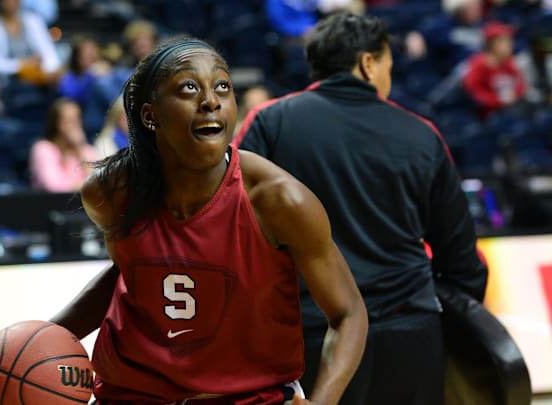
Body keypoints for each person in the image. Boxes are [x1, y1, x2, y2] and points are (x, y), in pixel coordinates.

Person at [52, 38, 368, 404]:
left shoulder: (278, 199)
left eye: (222, 87)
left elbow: (348, 314)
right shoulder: (111, 192)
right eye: (189, 88)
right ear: (150, 115)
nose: (210, 101)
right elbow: (130, 274)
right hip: (130, 396)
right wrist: (44, 338)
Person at [233, 13, 488, 405]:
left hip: (313, 337)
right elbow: (461, 259)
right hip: (411, 334)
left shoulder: (270, 122)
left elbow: (233, 230)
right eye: (388, 64)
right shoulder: (422, 134)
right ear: (368, 64)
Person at [28, 99, 98, 192]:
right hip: (51, 204)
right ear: (56, 124)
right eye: (68, 120)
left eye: (76, 120)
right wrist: (83, 186)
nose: (74, 125)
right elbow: (53, 186)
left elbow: (98, 185)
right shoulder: (43, 148)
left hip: (83, 204)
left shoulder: (88, 150)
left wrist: (80, 148)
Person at [463, 21, 527, 118]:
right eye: (504, 41)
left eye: (509, 40)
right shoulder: (478, 64)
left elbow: (521, 84)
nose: (510, 45)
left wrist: (514, 96)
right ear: (491, 44)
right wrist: (498, 101)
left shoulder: (509, 62)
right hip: (487, 115)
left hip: (511, 109)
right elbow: (474, 93)